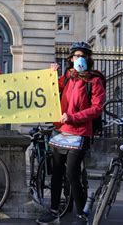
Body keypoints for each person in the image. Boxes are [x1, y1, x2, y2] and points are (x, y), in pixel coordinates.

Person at [37, 41, 106, 225]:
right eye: (76, 55)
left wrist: (73, 117)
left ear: (88, 59)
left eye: (83, 55)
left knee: (72, 174)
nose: (79, 58)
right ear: (71, 59)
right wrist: (51, 74)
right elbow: (51, 89)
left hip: (81, 132)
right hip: (61, 131)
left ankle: (82, 214)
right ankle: (53, 210)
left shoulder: (95, 80)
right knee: (57, 173)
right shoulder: (68, 76)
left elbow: (97, 108)